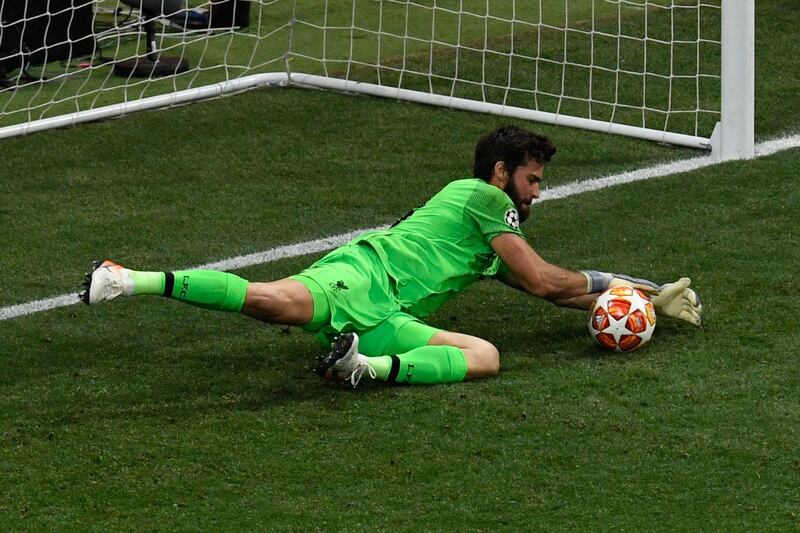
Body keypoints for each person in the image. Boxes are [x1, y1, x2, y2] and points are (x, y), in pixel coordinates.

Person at [81, 125, 702, 387]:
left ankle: (362, 368)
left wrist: (643, 300)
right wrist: (631, 286)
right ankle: (127, 278)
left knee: (484, 357)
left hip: (390, 316)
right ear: (502, 173)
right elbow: (544, 281)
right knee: (270, 302)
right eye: (533, 179)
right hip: (364, 274)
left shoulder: (487, 245)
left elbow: (562, 291)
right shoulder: (482, 198)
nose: (538, 191)